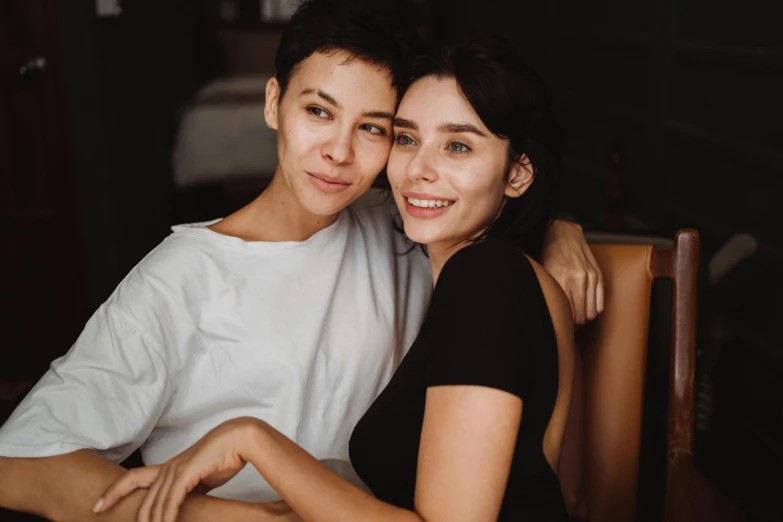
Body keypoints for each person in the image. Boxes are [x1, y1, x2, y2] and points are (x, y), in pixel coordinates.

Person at [0, 2, 600, 521]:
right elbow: (16, 464)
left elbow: (480, 212)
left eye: (374, 128)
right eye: (318, 111)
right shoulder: (182, 278)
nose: (338, 152)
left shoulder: (408, 229)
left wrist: (558, 228)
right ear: (273, 104)